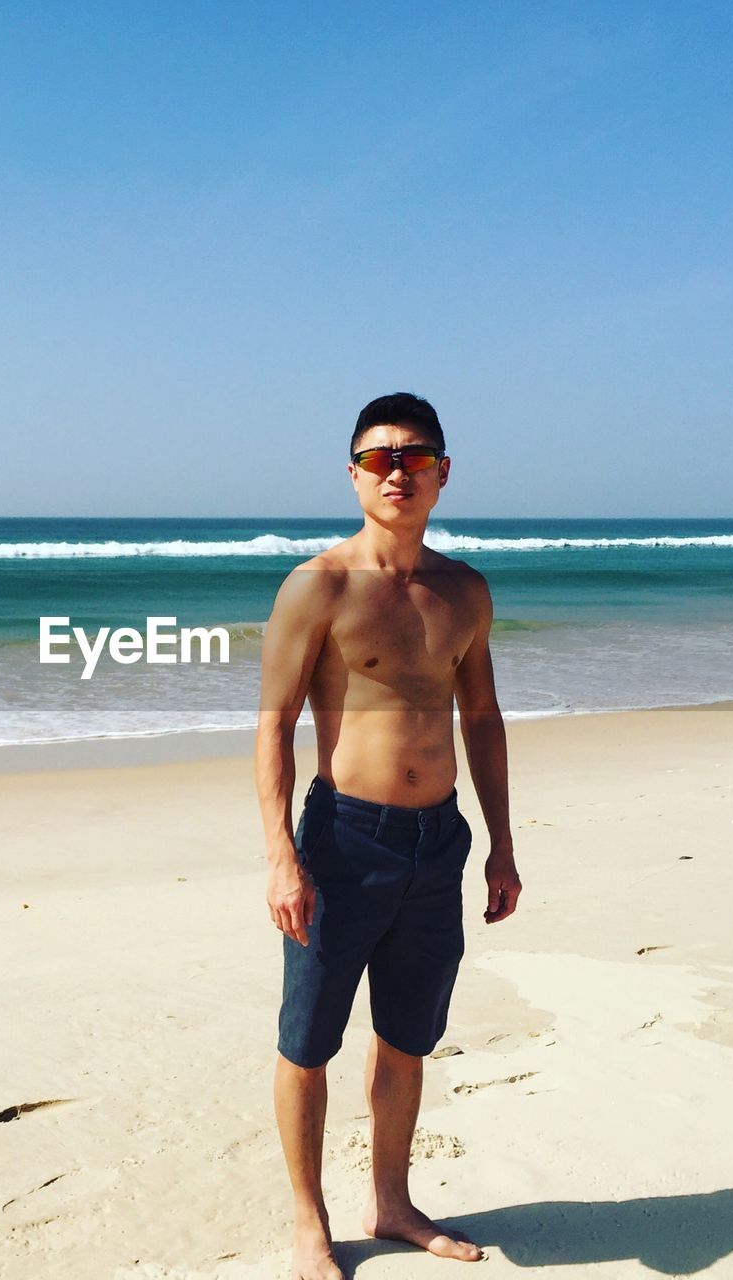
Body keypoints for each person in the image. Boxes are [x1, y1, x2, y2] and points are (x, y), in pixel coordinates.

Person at [255, 392, 522, 1277]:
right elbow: (274, 724)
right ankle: (308, 1221)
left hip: (436, 844)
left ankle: (394, 1202)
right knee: (309, 1041)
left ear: (444, 472)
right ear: (353, 473)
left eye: (414, 457)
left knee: (407, 1036)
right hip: (343, 841)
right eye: (378, 458)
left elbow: (481, 719)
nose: (396, 471)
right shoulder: (319, 586)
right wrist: (282, 857)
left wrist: (502, 844)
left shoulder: (463, 589)